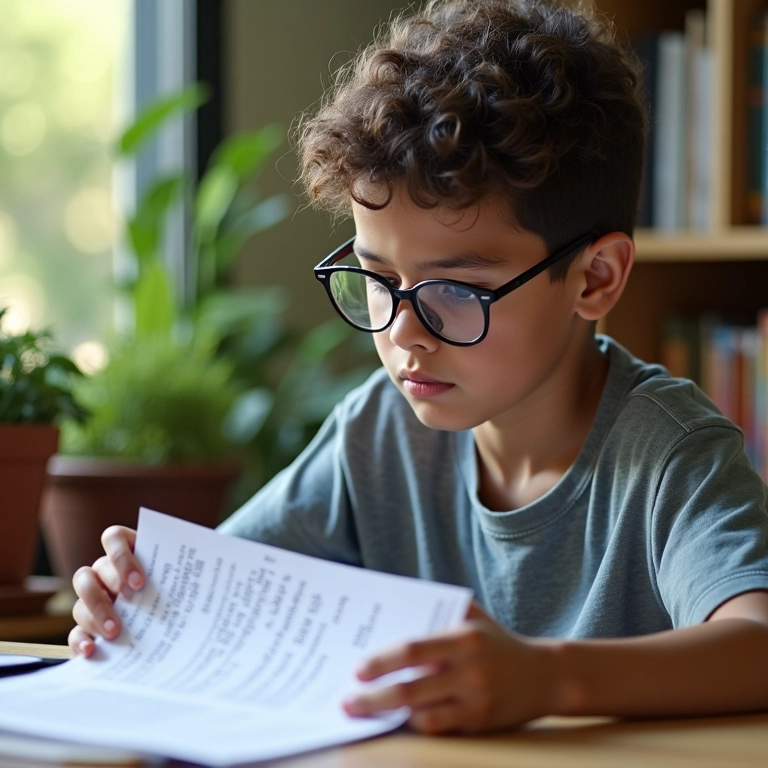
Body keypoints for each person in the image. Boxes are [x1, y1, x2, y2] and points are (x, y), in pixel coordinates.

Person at [69, 0, 768, 734]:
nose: (404, 332)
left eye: (455, 291)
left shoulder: (668, 456)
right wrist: (144, 592)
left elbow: (758, 642)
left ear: (594, 279)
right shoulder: (378, 432)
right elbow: (231, 587)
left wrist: (548, 678)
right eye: (377, 280)